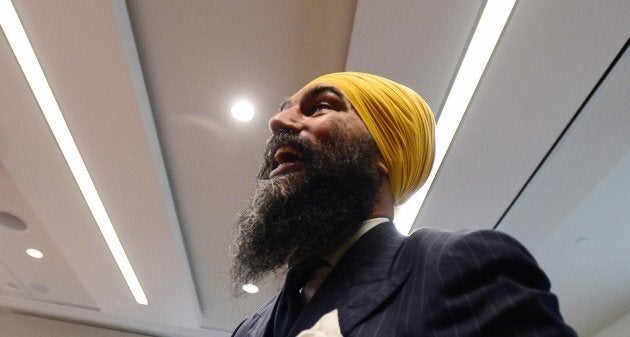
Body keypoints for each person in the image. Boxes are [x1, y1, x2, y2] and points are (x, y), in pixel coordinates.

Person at [230, 72, 576, 337]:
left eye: (320, 106)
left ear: (383, 154)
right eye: (283, 110)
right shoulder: (251, 328)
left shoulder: (458, 266)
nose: (277, 123)